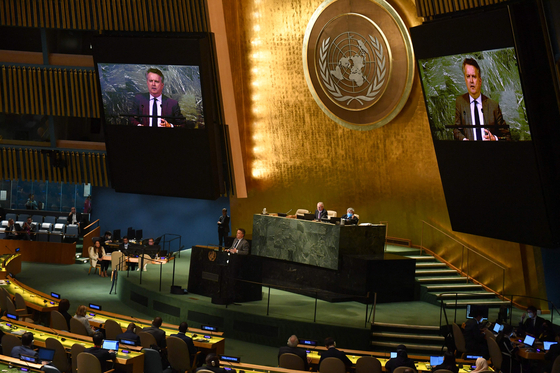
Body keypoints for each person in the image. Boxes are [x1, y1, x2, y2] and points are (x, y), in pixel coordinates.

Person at [453, 58, 511, 141]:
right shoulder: (460, 102)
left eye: (474, 76)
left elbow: (507, 137)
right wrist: (464, 140)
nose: (471, 81)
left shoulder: (493, 106)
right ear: (465, 80)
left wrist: (494, 139)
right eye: (468, 76)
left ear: (480, 81)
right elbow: (456, 130)